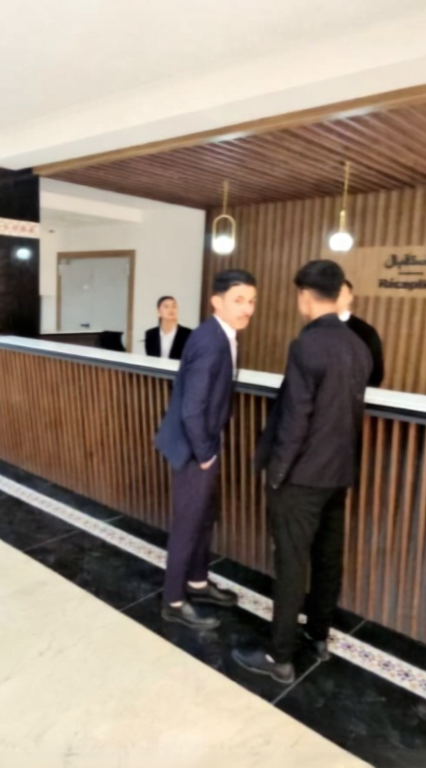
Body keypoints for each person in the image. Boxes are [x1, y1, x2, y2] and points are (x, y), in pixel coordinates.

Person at [234, 260, 372, 683]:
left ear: (305, 296)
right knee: (327, 558)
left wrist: (277, 472)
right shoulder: (358, 346)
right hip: (339, 474)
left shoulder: (307, 345)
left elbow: (296, 418)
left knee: (292, 565)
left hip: (302, 477)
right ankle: (318, 637)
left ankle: (279, 657)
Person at [153, 270, 258, 629]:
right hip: (193, 448)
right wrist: (205, 454)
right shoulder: (210, 340)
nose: (247, 308)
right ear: (217, 302)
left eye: (251, 301)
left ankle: (197, 582)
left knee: (203, 516)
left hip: (202, 444)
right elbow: (192, 408)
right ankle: (173, 600)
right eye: (238, 300)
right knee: (187, 523)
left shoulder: (221, 334)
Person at [338, 279, 385, 388]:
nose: (336, 297)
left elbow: (376, 372)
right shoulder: (313, 328)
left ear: (350, 297)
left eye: (341, 293)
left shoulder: (365, 332)